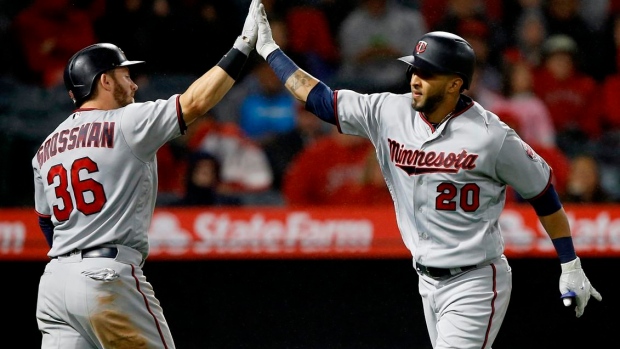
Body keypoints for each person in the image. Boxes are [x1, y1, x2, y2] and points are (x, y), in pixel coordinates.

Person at [251, 3, 602, 348]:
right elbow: (321, 101)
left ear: (454, 84)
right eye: (414, 70)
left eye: (427, 73)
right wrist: (270, 50)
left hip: (476, 281)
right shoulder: (389, 110)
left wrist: (569, 263)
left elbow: (542, 192)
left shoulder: (492, 136)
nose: (415, 80)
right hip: (426, 280)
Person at [31, 1, 261, 347]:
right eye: (126, 76)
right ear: (104, 81)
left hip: (54, 286)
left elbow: (46, 222)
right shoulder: (129, 120)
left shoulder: (46, 147)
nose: (135, 84)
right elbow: (195, 102)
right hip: (106, 274)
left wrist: (72, 259)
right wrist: (242, 47)